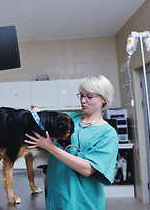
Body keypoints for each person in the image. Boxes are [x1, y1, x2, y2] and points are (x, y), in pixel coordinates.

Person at [25, 75, 118, 210]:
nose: (83, 100)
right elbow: (44, 128)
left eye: (89, 96)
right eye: (81, 95)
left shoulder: (107, 134)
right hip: (55, 197)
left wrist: (50, 147)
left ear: (103, 99)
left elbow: (88, 169)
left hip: (83, 202)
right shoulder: (68, 119)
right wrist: (36, 116)